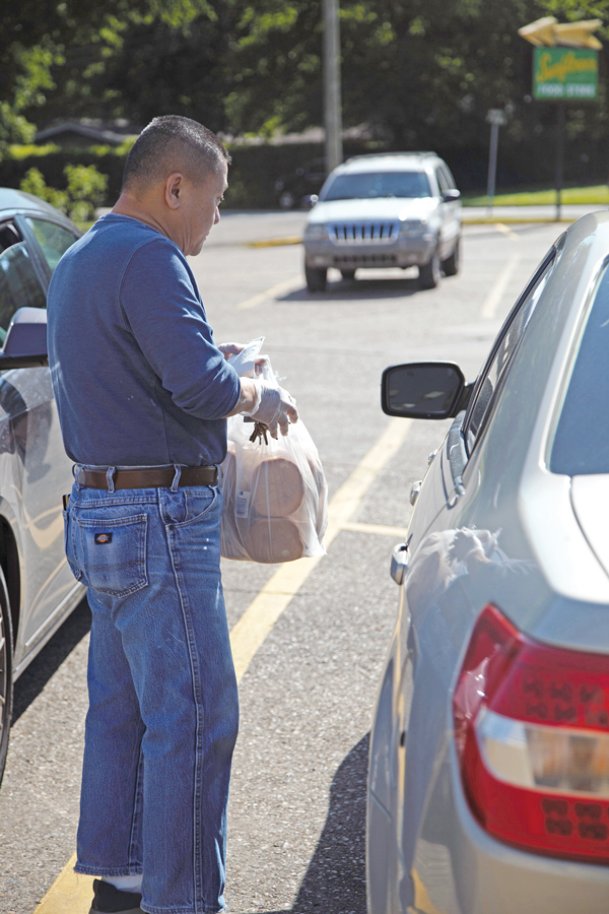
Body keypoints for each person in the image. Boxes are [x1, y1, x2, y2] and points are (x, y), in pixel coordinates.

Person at [46, 115, 298, 914]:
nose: (215, 220)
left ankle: (125, 870)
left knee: (121, 705)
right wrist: (258, 391)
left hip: (102, 509)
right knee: (194, 717)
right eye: (215, 201)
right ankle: (184, 899)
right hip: (156, 516)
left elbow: (139, 366)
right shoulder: (150, 255)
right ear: (174, 185)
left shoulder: (84, 254)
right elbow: (198, 386)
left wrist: (213, 367)